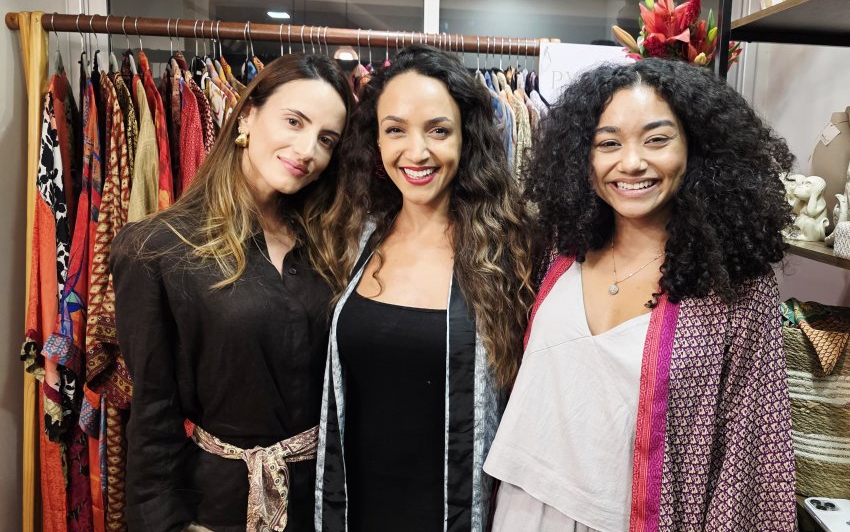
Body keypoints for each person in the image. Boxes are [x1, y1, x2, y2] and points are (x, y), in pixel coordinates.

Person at [484, 59, 797, 531]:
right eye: (608, 143)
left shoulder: (736, 287)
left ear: (696, 147)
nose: (630, 163)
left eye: (656, 140)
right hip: (525, 509)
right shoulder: (560, 249)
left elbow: (753, 449)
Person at [111, 53, 355, 532]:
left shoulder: (332, 244)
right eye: (294, 121)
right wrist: (167, 524)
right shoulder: (157, 247)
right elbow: (153, 414)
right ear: (246, 115)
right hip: (220, 506)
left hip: (328, 500)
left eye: (327, 139)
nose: (307, 150)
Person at [315, 44, 535, 531]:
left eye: (438, 130)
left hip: (458, 513)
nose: (416, 153)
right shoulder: (353, 237)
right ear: (375, 138)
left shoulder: (512, 249)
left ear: (466, 137)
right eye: (396, 130)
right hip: (357, 509)